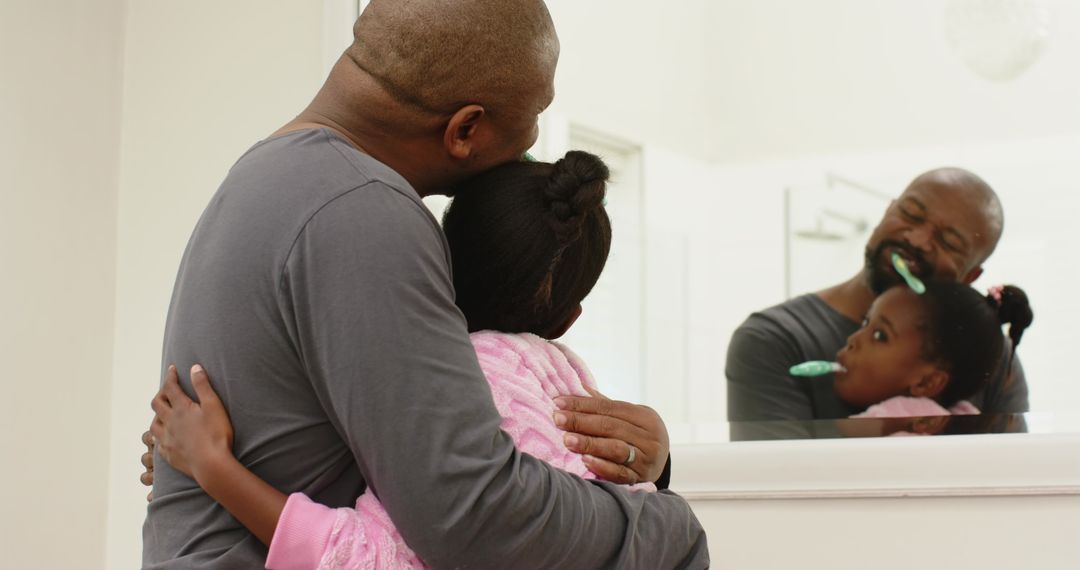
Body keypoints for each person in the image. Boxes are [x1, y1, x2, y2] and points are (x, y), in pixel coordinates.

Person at [142, 1, 708, 568]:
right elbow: (474, 516)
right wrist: (666, 526)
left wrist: (645, 463)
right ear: (465, 129)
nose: (532, 140)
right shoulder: (363, 210)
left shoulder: (269, 175)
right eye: (536, 114)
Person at [149, 151, 669, 569]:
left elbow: (369, 558)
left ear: (435, 258)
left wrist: (213, 467)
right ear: (567, 321)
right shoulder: (564, 382)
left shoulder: (450, 385)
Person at [726, 167, 1029, 436]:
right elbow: (777, 479)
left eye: (948, 242)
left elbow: (1017, 474)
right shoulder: (776, 339)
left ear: (970, 276)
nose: (916, 239)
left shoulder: (991, 357)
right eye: (910, 214)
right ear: (887, 211)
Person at [837, 282, 1032, 419]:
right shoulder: (966, 421)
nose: (853, 339)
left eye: (880, 335)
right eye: (866, 322)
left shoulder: (886, 423)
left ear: (927, 382)